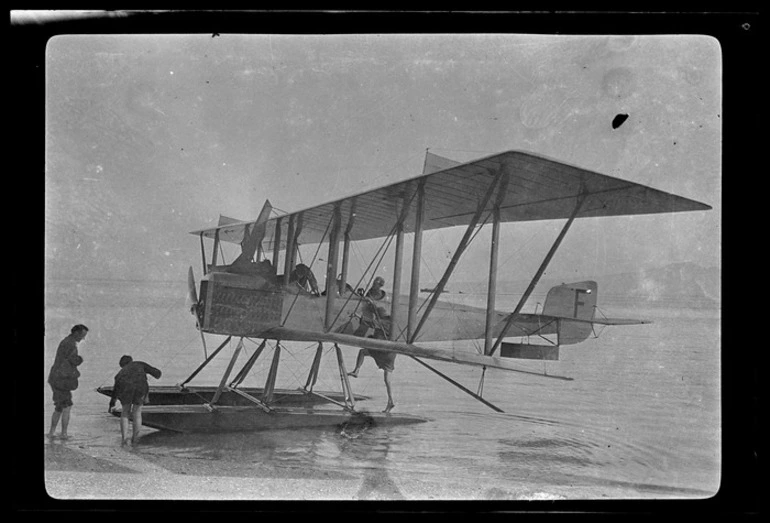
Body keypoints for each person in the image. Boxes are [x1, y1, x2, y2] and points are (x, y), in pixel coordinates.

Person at [348, 276, 396, 413]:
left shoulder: (383, 322)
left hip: (383, 349)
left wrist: (358, 316)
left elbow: (370, 322)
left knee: (363, 352)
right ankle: (390, 401)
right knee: (387, 377)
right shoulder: (390, 322)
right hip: (390, 351)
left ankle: (357, 371)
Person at [107, 355, 162, 447]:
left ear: (122, 365)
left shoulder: (119, 374)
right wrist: (157, 373)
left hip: (125, 387)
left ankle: (124, 439)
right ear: (131, 361)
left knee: (125, 411)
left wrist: (111, 404)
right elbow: (157, 374)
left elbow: (115, 391)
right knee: (137, 412)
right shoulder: (140, 364)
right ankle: (135, 439)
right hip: (141, 387)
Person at [47, 324, 88, 440]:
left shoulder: (66, 341)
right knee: (67, 406)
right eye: (82, 335)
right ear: (76, 333)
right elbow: (73, 360)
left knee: (59, 407)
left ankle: (52, 433)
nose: (83, 338)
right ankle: (63, 434)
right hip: (61, 380)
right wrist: (80, 359)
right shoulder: (70, 344)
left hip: (56, 378)